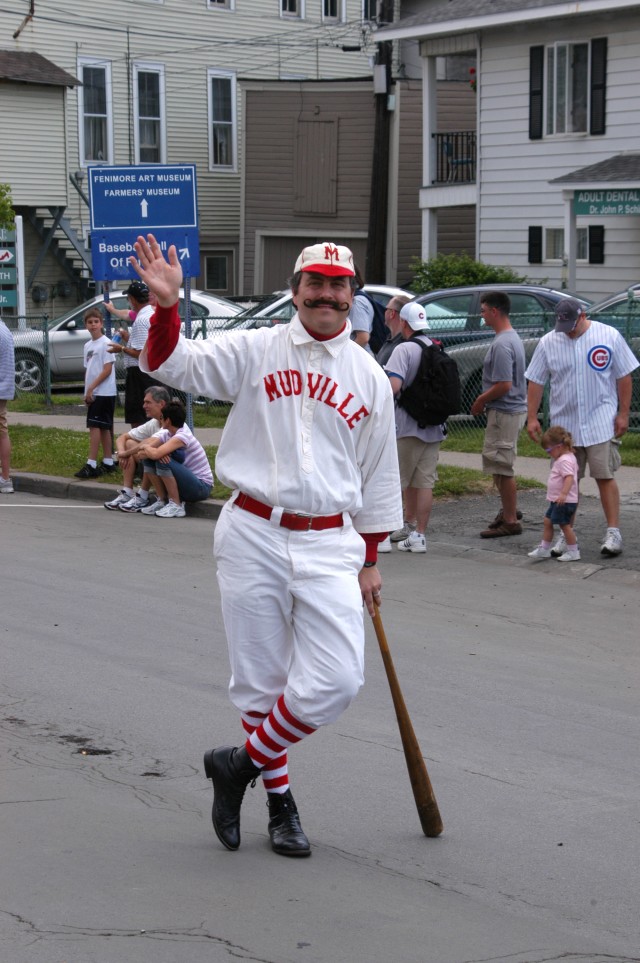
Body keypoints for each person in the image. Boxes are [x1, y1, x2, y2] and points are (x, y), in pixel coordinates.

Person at [133, 234, 402, 857]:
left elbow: (378, 474)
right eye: (315, 282)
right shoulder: (257, 348)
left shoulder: (370, 377)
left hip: (329, 540)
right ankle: (281, 803)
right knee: (259, 683)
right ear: (295, 290)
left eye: (338, 285)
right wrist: (169, 306)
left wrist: (370, 557)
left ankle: (238, 765)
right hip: (252, 528)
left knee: (336, 680)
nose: (326, 294)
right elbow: (175, 365)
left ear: (351, 294)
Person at [526, 298, 639, 557]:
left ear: (583, 315)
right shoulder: (548, 342)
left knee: (604, 475)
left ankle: (613, 532)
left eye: (572, 324)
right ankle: (567, 535)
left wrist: (623, 413)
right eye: (563, 324)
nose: (568, 330)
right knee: (566, 481)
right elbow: (535, 380)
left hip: (600, 421)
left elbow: (624, 375)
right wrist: (532, 417)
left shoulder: (608, 335)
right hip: (565, 427)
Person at [384, 301, 445, 554]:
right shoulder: (435, 347)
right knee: (424, 483)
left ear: (404, 322)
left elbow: (394, 387)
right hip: (433, 427)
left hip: (406, 426)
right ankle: (419, 534)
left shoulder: (403, 349)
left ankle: (382, 537)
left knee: (394, 481)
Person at [470, 292, 527, 538]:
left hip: (505, 411)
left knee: (503, 466)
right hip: (507, 410)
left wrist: (481, 400)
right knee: (497, 463)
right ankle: (507, 510)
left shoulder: (503, 343)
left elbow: (504, 383)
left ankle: (511, 521)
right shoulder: (509, 338)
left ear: (494, 311)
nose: (481, 315)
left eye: (483, 311)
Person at [137, 400, 213, 518]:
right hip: (187, 483)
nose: (160, 420)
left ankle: (176, 505)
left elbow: (155, 453)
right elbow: (141, 455)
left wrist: (145, 446)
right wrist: (149, 451)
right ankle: (162, 501)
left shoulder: (182, 436)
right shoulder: (167, 434)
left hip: (201, 487)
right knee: (149, 459)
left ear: (168, 421)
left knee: (162, 461)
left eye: (162, 417)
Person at [103, 384, 172, 511]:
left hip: (172, 471)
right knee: (129, 443)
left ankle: (143, 496)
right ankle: (127, 491)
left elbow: (148, 444)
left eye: (148, 402)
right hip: (160, 467)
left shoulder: (171, 423)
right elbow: (122, 437)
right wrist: (123, 452)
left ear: (161, 404)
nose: (144, 406)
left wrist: (124, 454)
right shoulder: (154, 422)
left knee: (146, 452)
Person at [107, 280, 160, 427]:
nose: (129, 302)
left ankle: (140, 447)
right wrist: (128, 338)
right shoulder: (151, 313)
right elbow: (145, 346)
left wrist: (121, 348)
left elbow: (140, 353)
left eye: (129, 298)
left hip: (140, 374)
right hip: (150, 372)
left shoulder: (142, 320)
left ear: (133, 300)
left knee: (138, 417)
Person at [74, 307, 117, 479]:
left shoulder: (106, 343)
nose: (93, 325)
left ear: (101, 324)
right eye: (90, 322)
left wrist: (93, 388)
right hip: (93, 392)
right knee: (104, 427)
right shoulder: (87, 346)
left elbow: (107, 370)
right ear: (86, 325)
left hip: (104, 392)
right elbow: (89, 370)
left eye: (96, 322)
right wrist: (87, 391)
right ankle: (108, 461)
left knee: (95, 426)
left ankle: (91, 463)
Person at [528, 425, 580, 562]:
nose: (548, 453)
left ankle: (573, 551)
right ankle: (544, 549)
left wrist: (563, 494)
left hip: (564, 500)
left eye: (549, 450)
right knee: (548, 521)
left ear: (559, 446)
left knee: (564, 525)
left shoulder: (564, 460)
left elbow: (569, 477)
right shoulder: (567, 457)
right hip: (558, 500)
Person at [0, 316, 15, 493]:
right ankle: (5, 477)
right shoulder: (5, 329)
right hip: (4, 386)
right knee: (2, 431)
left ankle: (4, 478)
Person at [376, 295, 412, 367]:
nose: (384, 312)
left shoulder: (401, 347)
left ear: (392, 313)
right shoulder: (391, 339)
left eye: (386, 309)